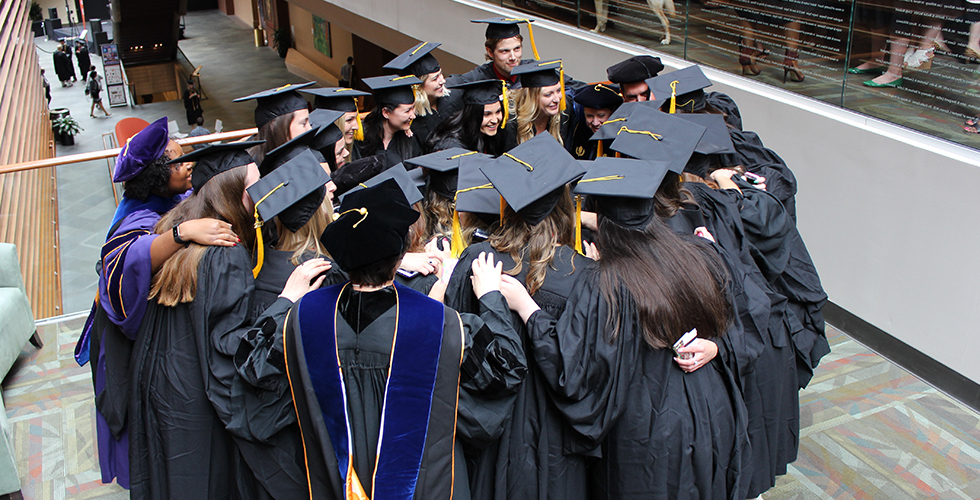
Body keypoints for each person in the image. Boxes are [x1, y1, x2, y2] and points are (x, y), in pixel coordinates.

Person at [498, 156, 751, 500]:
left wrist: (528, 308)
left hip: (648, 427)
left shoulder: (606, 284)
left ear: (602, 226)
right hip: (712, 409)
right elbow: (746, 322)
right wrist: (716, 346)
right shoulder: (696, 252)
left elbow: (574, 371)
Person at [274, 179, 527, 499]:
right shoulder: (441, 323)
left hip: (334, 484)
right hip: (424, 487)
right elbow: (505, 370)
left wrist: (284, 301)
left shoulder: (303, 317)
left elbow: (255, 376)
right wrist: (490, 297)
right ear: (400, 258)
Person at [128, 141, 330, 500]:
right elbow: (230, 348)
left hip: (160, 375)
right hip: (193, 390)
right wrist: (285, 301)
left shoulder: (179, 222)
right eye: (253, 185)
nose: (261, 193)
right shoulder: (225, 252)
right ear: (232, 191)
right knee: (203, 479)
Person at [73, 117, 238, 489]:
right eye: (178, 161)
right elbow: (126, 260)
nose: (187, 164)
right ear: (156, 175)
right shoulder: (134, 217)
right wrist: (181, 234)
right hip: (129, 340)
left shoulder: (172, 199)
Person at [445, 133, 593, 500]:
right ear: (565, 204)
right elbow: (584, 373)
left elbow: (453, 346)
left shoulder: (477, 259)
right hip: (552, 438)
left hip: (485, 425)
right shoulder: (584, 275)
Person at [384, 42, 465, 145]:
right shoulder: (412, 120)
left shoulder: (455, 93)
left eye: (441, 74)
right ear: (419, 86)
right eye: (435, 79)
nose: (443, 81)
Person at [234, 82, 315, 165]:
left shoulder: (308, 153)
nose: (310, 128)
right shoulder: (248, 165)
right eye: (303, 123)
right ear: (274, 127)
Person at [448, 17, 539, 89]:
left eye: (517, 49)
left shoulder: (533, 71)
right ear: (490, 52)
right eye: (505, 51)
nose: (513, 57)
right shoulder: (479, 77)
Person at [426, 78, 507, 156]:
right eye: (486, 114)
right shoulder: (452, 147)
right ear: (472, 115)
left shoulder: (488, 135)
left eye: (498, 111)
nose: (495, 120)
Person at [358, 75, 424, 168]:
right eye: (407, 111)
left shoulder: (410, 142)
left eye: (413, 109)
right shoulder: (362, 138)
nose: (413, 116)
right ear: (386, 112)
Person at [300, 87, 370, 160]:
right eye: (349, 120)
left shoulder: (354, 149)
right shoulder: (313, 159)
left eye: (356, 119)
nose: (357, 126)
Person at [511, 60, 570, 146]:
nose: (557, 99)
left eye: (558, 91)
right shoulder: (512, 123)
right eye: (548, 95)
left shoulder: (563, 116)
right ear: (532, 98)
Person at [568, 83, 622, 159]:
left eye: (601, 115)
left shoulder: (623, 136)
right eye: (589, 116)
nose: (595, 123)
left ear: (613, 112)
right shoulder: (578, 129)